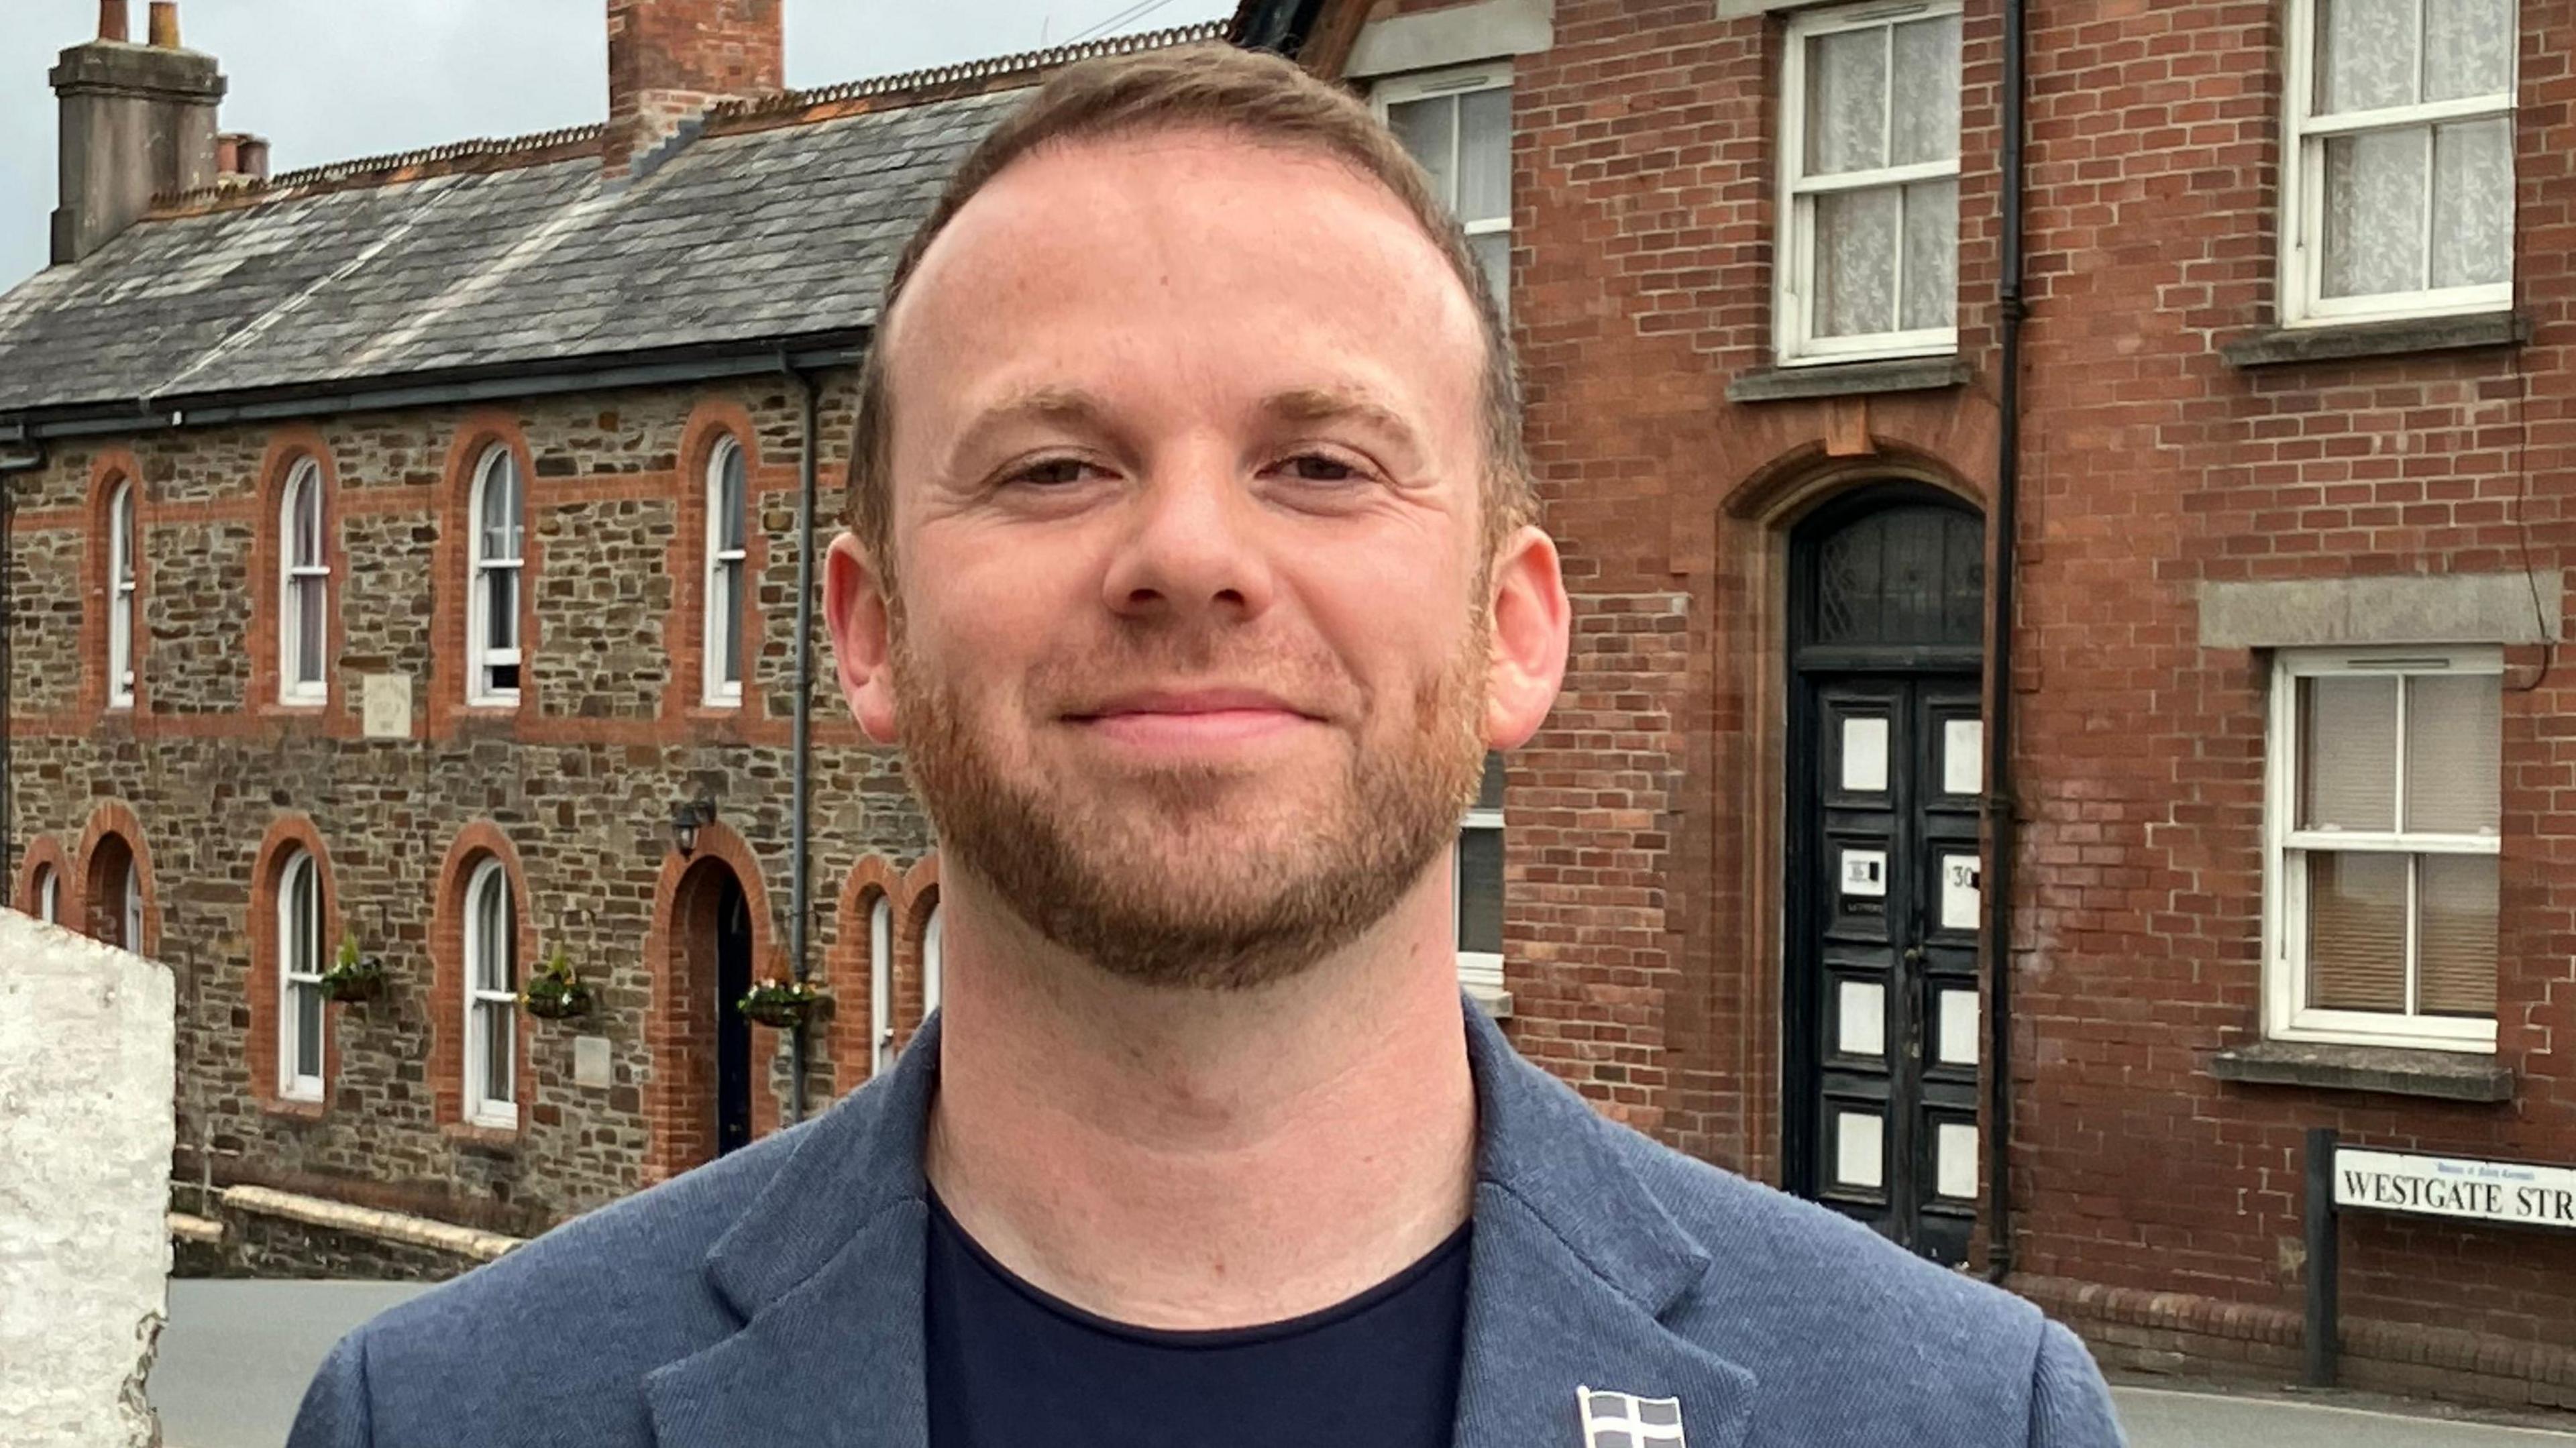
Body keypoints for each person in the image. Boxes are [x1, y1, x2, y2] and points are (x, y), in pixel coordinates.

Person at [288, 46, 2124, 1448]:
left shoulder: (1960, 1420)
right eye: (1054, 466)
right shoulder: (447, 1418)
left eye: (1321, 464)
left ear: (1514, 628)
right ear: (867, 631)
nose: (1188, 557)